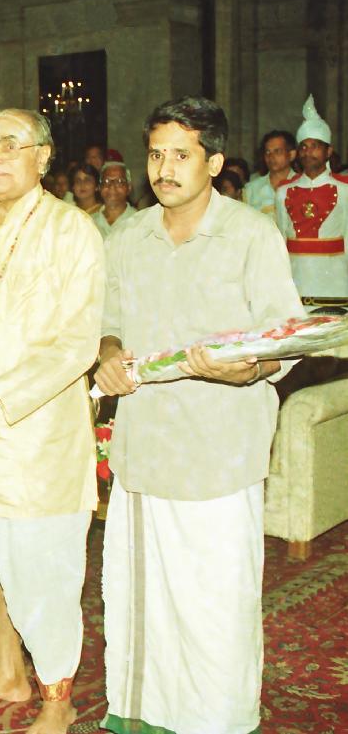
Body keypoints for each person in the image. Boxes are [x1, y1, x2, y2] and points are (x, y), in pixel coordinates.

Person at [95, 96, 304, 734]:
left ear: (213, 162)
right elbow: (106, 323)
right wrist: (106, 354)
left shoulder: (251, 234)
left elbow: (286, 336)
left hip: (220, 448)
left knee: (216, 601)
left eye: (181, 155)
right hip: (145, 444)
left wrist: (252, 369)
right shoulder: (128, 236)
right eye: (156, 154)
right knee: (142, 595)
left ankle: (219, 720)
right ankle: (144, 713)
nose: (164, 168)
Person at [0, 109, 103, 734]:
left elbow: (78, 345)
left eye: (12, 144)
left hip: (40, 432)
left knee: (43, 568)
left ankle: (59, 701)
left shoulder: (72, 229)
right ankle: (9, 674)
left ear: (44, 157)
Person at [274, 95, 348, 298]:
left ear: (328, 151)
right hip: (295, 282)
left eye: (315, 146)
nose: (308, 152)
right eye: (304, 147)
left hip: (336, 283)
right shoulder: (283, 192)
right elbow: (280, 241)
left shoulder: (344, 190)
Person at [244, 130, 297, 216]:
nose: (271, 157)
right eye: (267, 152)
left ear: (291, 155)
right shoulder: (251, 189)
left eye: (277, 151)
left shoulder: (303, 186)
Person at [91, 160, 136, 237]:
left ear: (129, 188)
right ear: (100, 187)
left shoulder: (140, 220)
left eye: (119, 181)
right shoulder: (90, 222)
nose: (112, 186)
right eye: (106, 181)